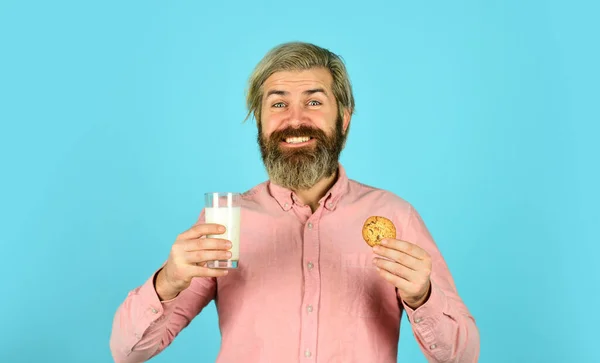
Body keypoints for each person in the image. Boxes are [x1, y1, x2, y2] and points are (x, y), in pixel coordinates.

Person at [109, 41, 480, 363]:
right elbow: (128, 352)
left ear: (345, 119)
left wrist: (423, 296)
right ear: (259, 121)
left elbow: (462, 356)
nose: (295, 120)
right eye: (278, 104)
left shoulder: (395, 216)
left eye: (314, 101)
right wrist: (168, 281)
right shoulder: (226, 220)